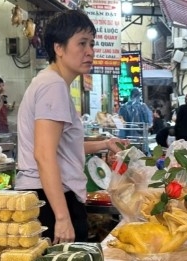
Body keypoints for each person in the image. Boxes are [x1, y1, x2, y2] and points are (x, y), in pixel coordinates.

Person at [15, 9, 125, 244]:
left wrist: (105, 144)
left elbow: (62, 147)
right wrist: (62, 217)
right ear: (59, 48)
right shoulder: (52, 86)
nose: (90, 52)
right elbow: (44, 154)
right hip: (49, 200)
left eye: (92, 44)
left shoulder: (51, 83)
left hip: (46, 197)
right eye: (82, 43)